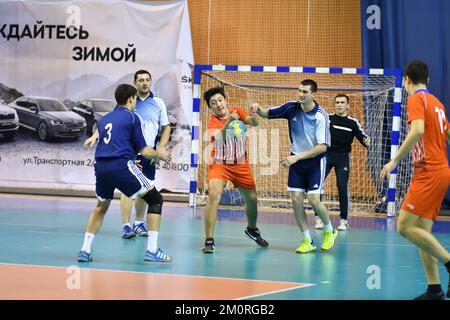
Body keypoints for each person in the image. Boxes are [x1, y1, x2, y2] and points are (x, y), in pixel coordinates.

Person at [78, 84, 172, 263]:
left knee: (100, 207)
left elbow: (113, 141)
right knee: (155, 199)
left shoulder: (105, 119)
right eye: (135, 98)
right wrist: (160, 153)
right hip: (121, 166)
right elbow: (144, 151)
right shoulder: (133, 118)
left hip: (101, 167)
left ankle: (85, 250)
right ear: (131, 99)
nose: (136, 101)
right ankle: (152, 250)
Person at [380, 60, 450, 300]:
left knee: (404, 226)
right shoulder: (438, 103)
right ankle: (434, 290)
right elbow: (448, 134)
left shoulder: (416, 99)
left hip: (429, 171)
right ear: (428, 80)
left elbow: (418, 129)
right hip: (439, 171)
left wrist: (394, 161)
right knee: (422, 232)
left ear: (406, 79)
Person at [252, 79, 338, 253]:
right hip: (296, 161)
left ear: (314, 94)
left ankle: (330, 229)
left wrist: (297, 157)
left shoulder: (321, 115)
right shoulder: (291, 107)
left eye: (305, 92)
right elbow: (267, 113)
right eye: (299, 91)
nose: (301, 94)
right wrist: (257, 109)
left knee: (314, 200)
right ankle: (308, 240)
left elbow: (323, 146)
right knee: (296, 201)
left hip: (316, 161)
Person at [202, 86, 269, 253]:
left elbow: (254, 123)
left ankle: (252, 229)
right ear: (210, 107)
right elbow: (218, 138)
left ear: (225, 100)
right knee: (213, 194)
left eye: (220, 100)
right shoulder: (213, 122)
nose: (218, 104)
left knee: (252, 199)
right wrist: (229, 122)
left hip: (240, 164)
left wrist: (254, 115)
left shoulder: (237, 111)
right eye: (213, 103)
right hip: (220, 164)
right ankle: (209, 240)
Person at [314, 94, 370, 231]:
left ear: (348, 105)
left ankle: (344, 221)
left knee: (342, 186)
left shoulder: (352, 122)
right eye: (337, 102)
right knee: (317, 185)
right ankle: (318, 218)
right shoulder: (328, 119)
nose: (339, 105)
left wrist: (366, 141)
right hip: (326, 156)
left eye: (342, 102)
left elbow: (363, 137)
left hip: (342, 158)